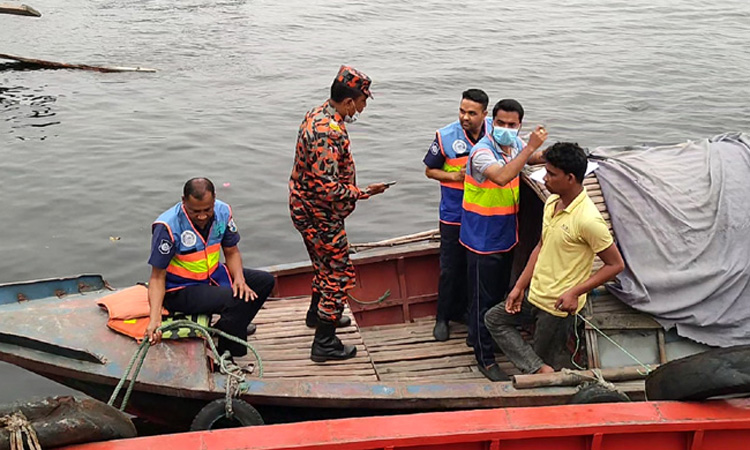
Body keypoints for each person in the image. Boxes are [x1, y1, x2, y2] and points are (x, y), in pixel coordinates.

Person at [485, 142, 625, 375]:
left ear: (570, 178)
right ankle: (540, 369)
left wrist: (575, 292)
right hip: (535, 293)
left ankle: (543, 378)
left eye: (551, 174)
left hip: (557, 307)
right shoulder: (552, 202)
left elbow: (615, 265)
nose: (545, 179)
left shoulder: (588, 220)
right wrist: (519, 286)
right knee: (494, 319)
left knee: (544, 358)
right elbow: (541, 245)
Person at [289, 65, 389, 362]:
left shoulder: (318, 113)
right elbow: (326, 188)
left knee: (323, 266)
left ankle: (317, 316)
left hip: (306, 209)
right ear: (348, 102)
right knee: (338, 275)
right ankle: (325, 342)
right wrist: (364, 192)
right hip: (320, 214)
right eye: (363, 101)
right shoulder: (327, 133)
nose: (363, 106)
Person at [460, 99, 548, 381]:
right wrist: (531, 148)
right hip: (481, 239)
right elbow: (501, 176)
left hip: (505, 236)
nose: (506, 129)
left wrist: (549, 154)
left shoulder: (515, 146)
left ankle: (483, 339)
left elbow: (529, 159)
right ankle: (484, 358)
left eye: (512, 125)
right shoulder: (481, 152)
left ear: (519, 125)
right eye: (500, 123)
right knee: (481, 300)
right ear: (491, 122)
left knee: (496, 295)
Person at [145, 178, 275, 364]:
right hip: (180, 289)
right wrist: (155, 318)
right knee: (235, 300)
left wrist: (239, 278)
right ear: (184, 201)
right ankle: (227, 354)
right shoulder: (167, 226)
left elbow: (231, 251)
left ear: (214, 200)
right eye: (195, 211)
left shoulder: (223, 212)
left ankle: (228, 327)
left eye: (207, 210)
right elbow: (157, 277)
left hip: (213, 276)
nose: (202, 216)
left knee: (265, 281)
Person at [424, 89, 492, 342]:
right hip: (454, 214)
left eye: (472, 113)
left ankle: (467, 313)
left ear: (484, 114)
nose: (465, 117)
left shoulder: (496, 132)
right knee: (449, 268)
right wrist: (454, 176)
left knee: (477, 268)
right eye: (462, 111)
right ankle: (442, 317)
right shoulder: (446, 136)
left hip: (485, 214)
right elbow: (430, 171)